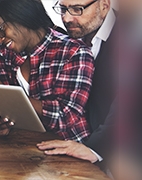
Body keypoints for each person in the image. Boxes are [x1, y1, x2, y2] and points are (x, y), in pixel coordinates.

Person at [0, 0, 94, 141]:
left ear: (23, 17)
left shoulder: (73, 52)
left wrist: (2, 90)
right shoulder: (4, 53)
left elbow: (64, 118)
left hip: (68, 149)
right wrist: (2, 124)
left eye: (1, 29)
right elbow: (11, 113)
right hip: (25, 146)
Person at [36, 0, 116, 170]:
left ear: (104, 5)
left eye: (76, 9)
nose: (66, 18)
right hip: (72, 152)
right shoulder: (73, 38)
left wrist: (94, 148)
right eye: (63, 9)